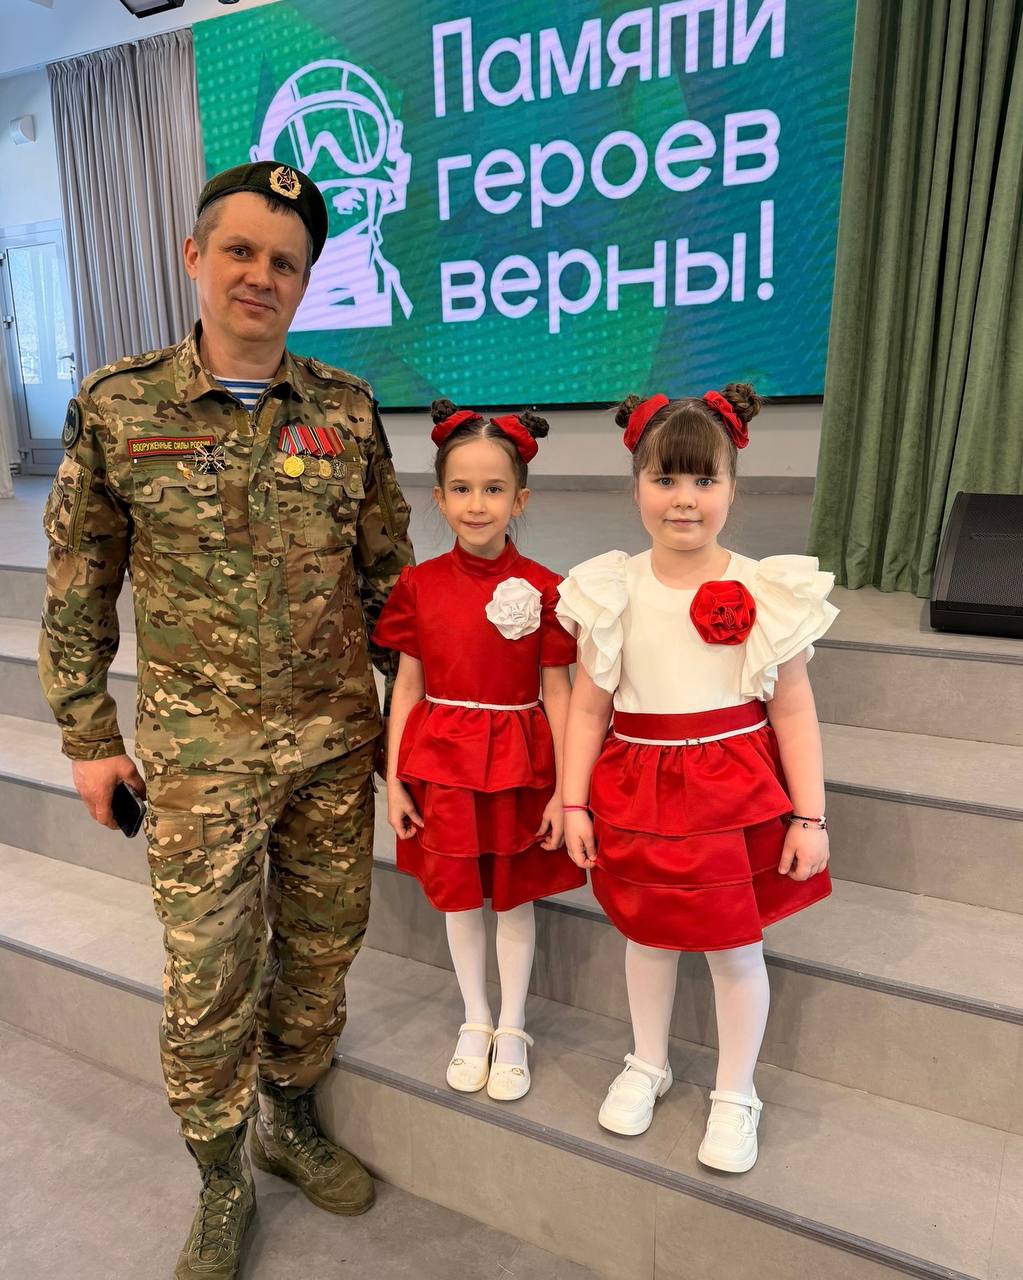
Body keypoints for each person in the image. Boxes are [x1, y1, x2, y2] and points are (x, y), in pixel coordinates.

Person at [38, 161, 413, 1279]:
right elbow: (78, 587)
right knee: (208, 976)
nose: (261, 275)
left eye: (284, 261)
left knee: (322, 950)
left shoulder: (345, 409)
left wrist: (420, 727)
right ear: (195, 257)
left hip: (335, 742)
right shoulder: (120, 405)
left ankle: (287, 1117)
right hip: (201, 757)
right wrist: (90, 739)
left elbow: (390, 585)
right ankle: (217, 1174)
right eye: (240, 251)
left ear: (305, 281)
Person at [557, 386, 836, 1171]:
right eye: (665, 479)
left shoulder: (764, 589)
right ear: (636, 487)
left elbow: (793, 713)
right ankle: (647, 1061)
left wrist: (808, 817)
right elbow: (587, 709)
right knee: (646, 939)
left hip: (730, 794)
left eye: (703, 480)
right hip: (637, 791)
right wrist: (572, 802)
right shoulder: (611, 589)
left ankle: (735, 1091)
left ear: (732, 487)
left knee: (734, 949)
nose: (683, 499)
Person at [373, 399, 585, 1101]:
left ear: (519, 498)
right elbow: (407, 687)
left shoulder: (547, 588)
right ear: (438, 498)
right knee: (460, 898)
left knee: (513, 899)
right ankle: (476, 1018)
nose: (476, 504)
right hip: (443, 767)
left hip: (520, 765)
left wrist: (565, 791)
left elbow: (558, 693)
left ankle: (514, 1025)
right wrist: (395, 780)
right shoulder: (419, 585)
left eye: (493, 488)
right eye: (460, 489)